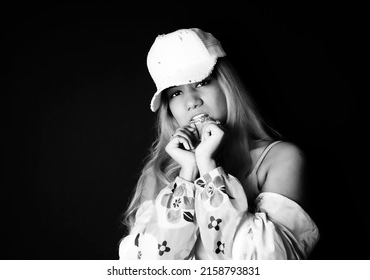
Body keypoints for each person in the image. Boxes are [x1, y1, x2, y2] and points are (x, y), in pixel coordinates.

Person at [118, 28, 319, 260]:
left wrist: (208, 168)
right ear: (168, 109)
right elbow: (145, 267)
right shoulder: (159, 174)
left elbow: (264, 264)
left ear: (227, 84)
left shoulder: (281, 159)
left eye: (202, 82)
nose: (192, 102)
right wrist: (187, 174)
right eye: (175, 93)